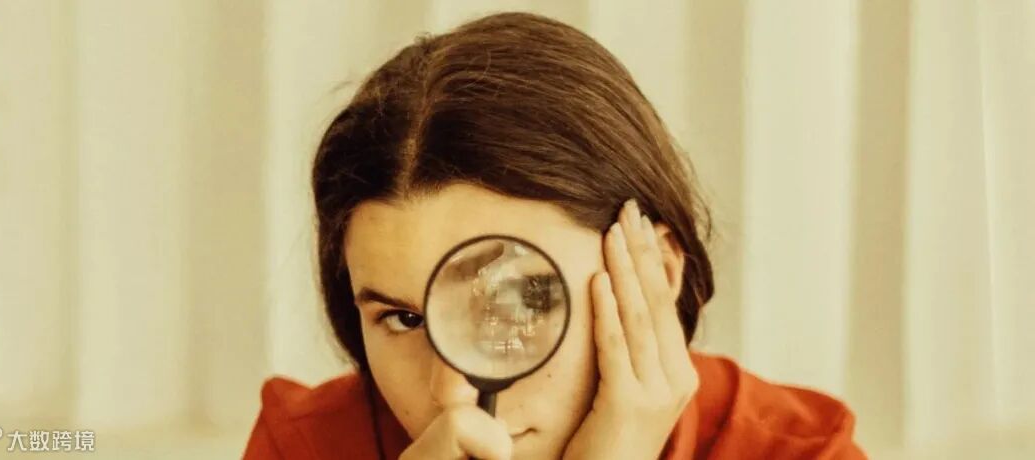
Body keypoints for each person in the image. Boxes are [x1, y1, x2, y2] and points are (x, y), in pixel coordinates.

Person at [243, 12, 866, 460]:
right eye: (403, 320)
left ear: (656, 274)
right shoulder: (303, 446)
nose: (453, 391)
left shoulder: (799, 453)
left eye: (518, 301)